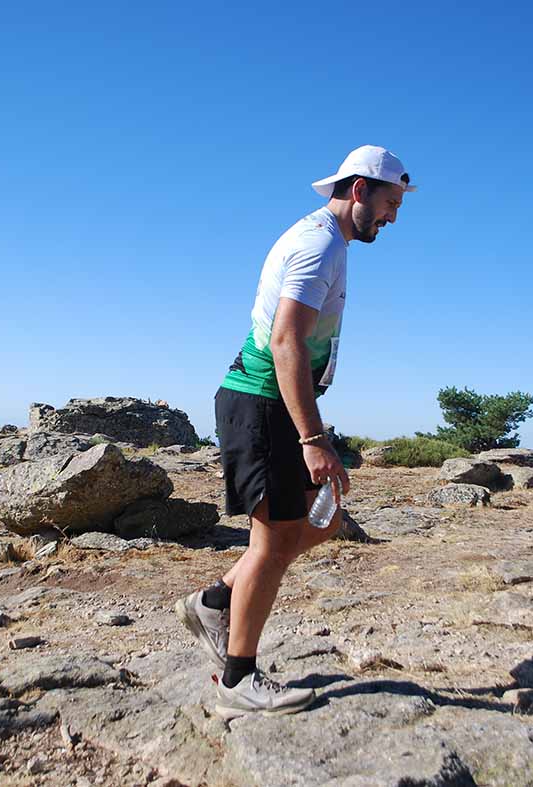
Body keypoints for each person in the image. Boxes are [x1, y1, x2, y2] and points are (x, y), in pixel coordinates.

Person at [174, 145, 414, 719]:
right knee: (273, 542)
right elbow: (286, 340)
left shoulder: (331, 241)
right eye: (390, 203)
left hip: (275, 404)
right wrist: (314, 439)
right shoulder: (319, 243)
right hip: (262, 404)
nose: (392, 217)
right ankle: (237, 681)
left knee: (321, 522)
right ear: (359, 191)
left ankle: (215, 601)